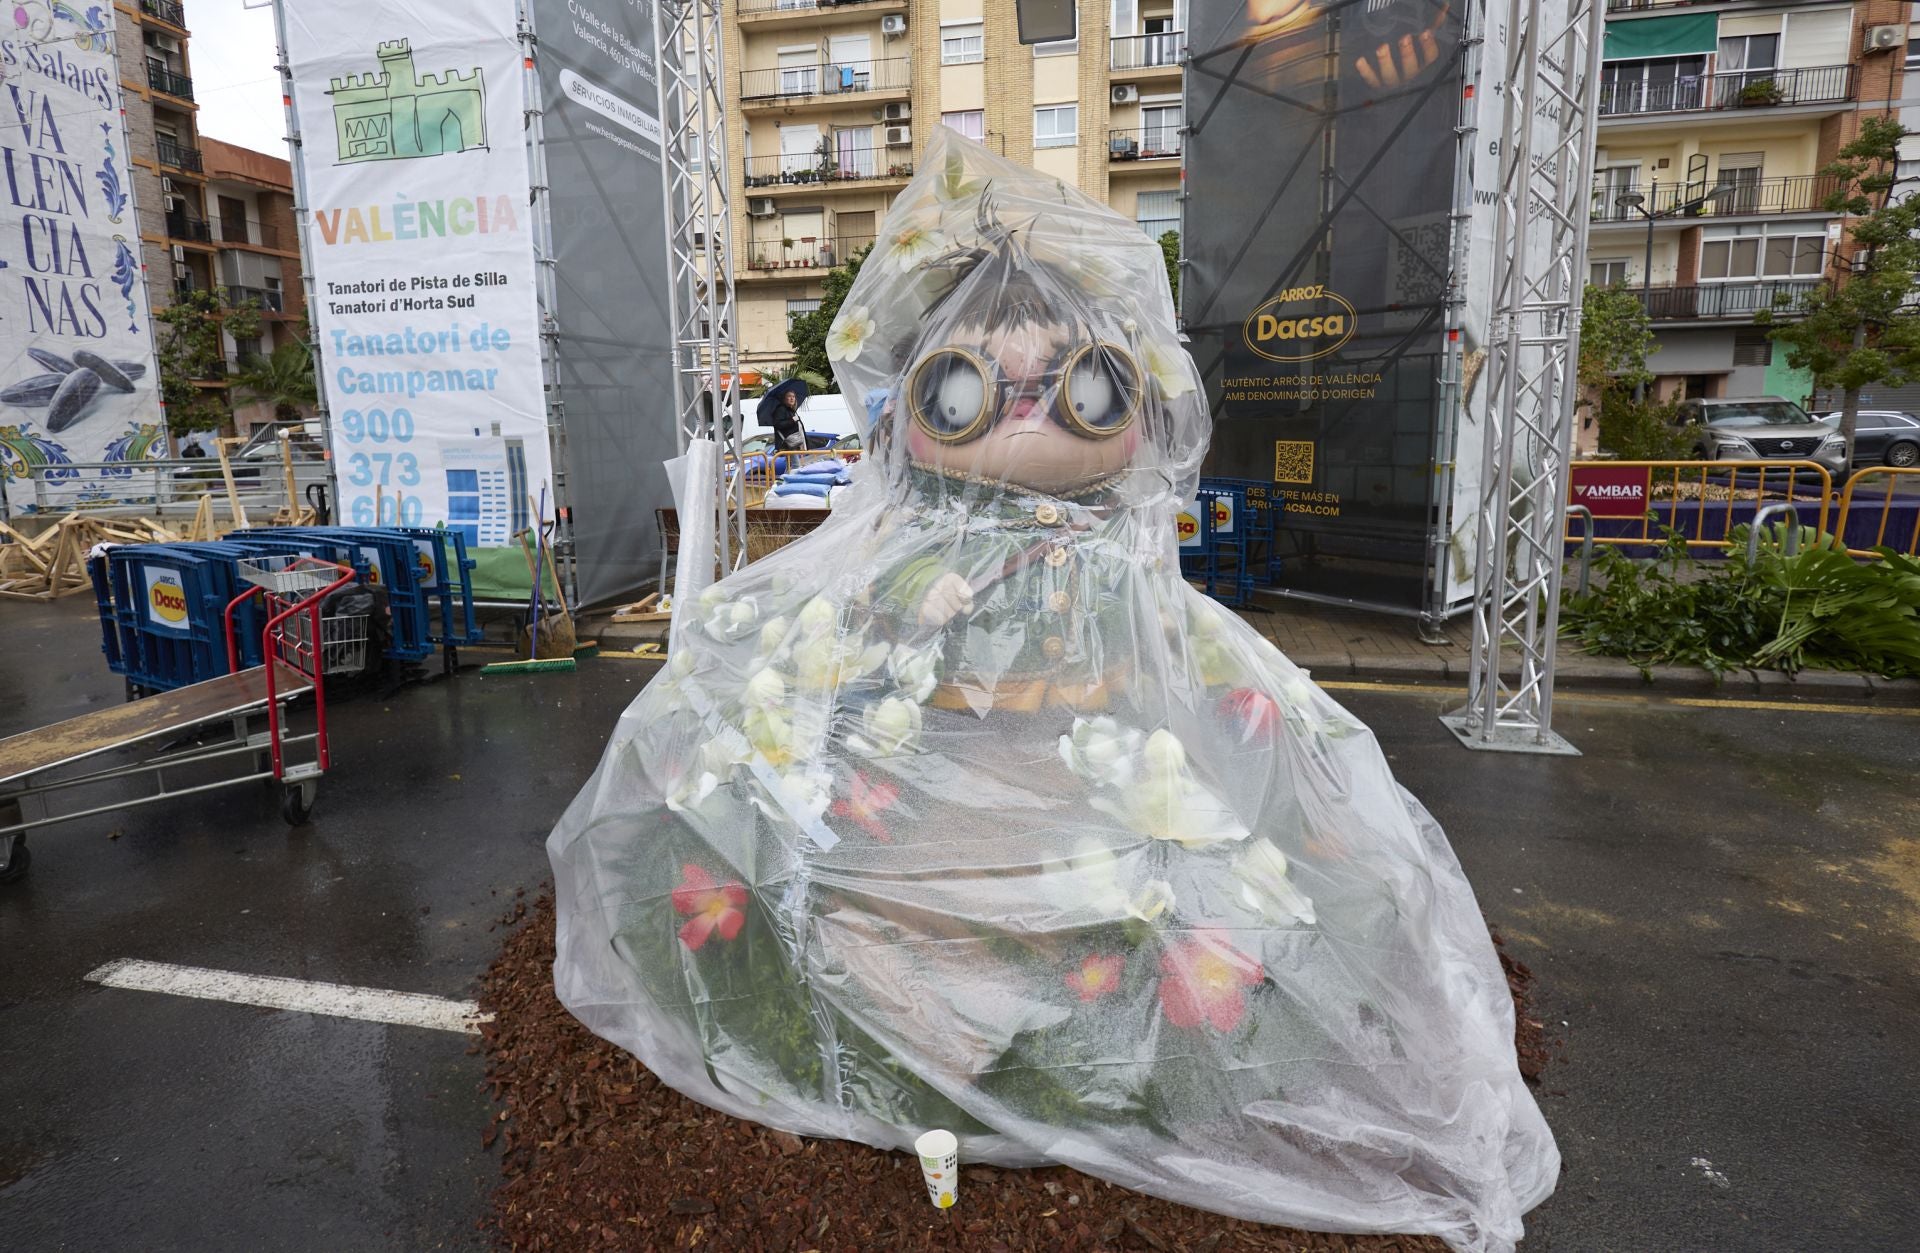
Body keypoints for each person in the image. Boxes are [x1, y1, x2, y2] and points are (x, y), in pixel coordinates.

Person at [548, 130, 1556, 1253]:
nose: (1026, 410)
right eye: (973, 385)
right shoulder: (911, 545)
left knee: (1235, 809)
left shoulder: (1117, 562)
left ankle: (1047, 1010)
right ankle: (921, 1002)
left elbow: (1167, 666)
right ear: (913, 399)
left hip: (1083, 751)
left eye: (1075, 385)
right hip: (938, 785)